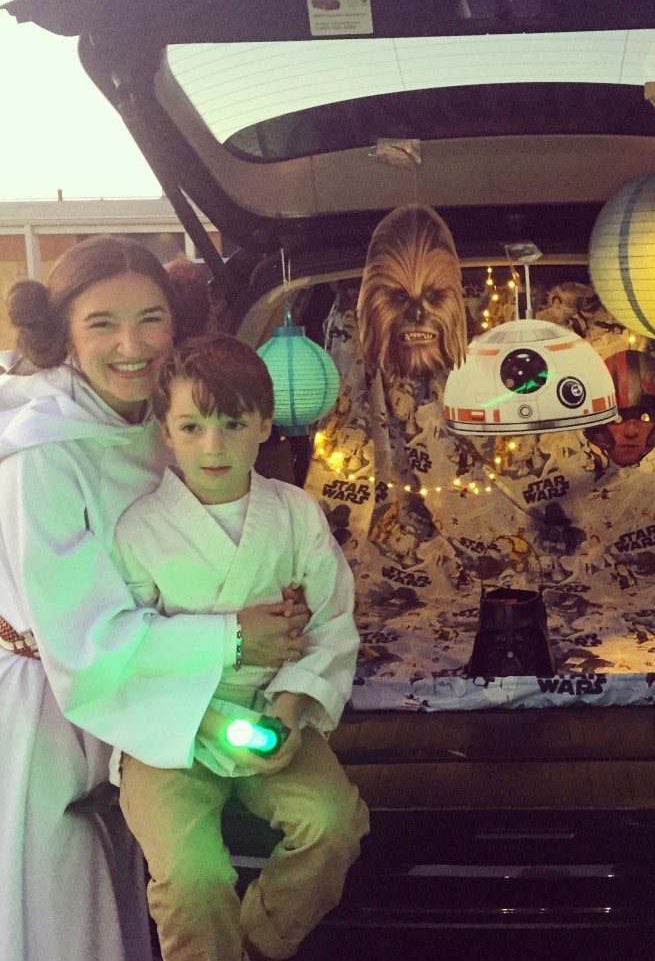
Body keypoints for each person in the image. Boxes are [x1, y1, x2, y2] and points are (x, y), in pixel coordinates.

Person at [0, 236, 309, 961]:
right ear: (65, 332)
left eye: (151, 319)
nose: (131, 346)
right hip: (60, 704)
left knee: (156, 887)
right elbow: (83, 634)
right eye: (102, 323)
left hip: (164, 688)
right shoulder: (43, 454)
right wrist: (232, 637)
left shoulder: (164, 421)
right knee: (69, 904)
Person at [114, 334, 370, 961]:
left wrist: (288, 711)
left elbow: (332, 620)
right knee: (191, 873)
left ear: (262, 424)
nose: (214, 445)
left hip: (270, 703)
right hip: (171, 724)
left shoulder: (295, 514)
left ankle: (259, 940)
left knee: (333, 825)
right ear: (166, 432)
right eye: (192, 426)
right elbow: (126, 643)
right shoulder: (139, 529)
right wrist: (200, 715)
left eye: (232, 423)